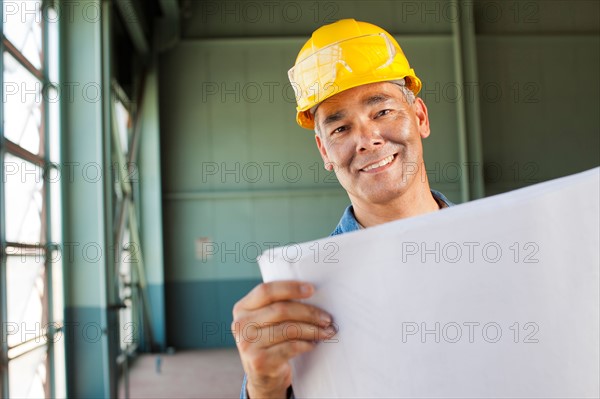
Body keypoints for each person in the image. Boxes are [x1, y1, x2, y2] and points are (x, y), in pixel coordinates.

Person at [232, 19, 454, 398]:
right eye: (340, 129)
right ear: (325, 152)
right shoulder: (307, 297)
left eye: (382, 111)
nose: (367, 140)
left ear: (419, 117)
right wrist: (264, 388)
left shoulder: (496, 247)